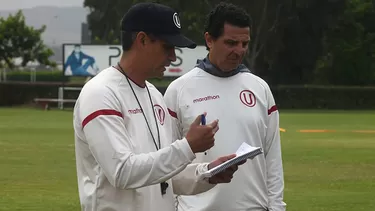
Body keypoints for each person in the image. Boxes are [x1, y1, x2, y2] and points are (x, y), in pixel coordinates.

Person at [73, 3, 244, 211]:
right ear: (142, 40)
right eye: (167, 46)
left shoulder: (155, 96)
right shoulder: (100, 93)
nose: (173, 56)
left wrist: (207, 173)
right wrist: (188, 146)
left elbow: (164, 177)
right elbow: (122, 172)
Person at [164, 2, 286, 211]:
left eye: (244, 44)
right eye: (230, 43)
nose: (239, 51)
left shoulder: (259, 88)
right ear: (209, 39)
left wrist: (277, 207)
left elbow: (272, 158)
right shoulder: (179, 90)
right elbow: (167, 163)